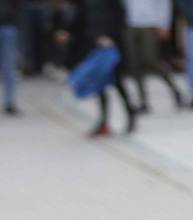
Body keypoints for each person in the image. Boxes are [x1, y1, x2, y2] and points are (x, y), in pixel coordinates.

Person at [60, 0, 135, 137]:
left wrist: (110, 36)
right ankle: (103, 123)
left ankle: (130, 115)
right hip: (94, 46)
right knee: (99, 86)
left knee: (118, 83)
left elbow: (120, 16)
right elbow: (80, 17)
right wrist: (67, 31)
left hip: (112, 48)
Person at [123, 0, 181, 112]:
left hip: (149, 23)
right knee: (134, 64)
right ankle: (143, 101)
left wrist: (164, 24)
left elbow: (164, 3)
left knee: (151, 60)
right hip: (129, 23)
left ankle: (175, 90)